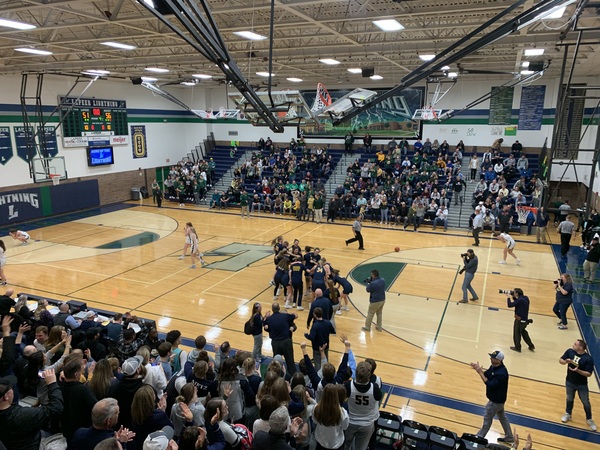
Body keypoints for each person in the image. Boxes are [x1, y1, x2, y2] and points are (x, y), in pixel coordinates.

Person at [0, 369, 64, 450]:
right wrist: (52, 384)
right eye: (11, 388)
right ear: (6, 396)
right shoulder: (23, 415)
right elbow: (55, 408)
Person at [470, 351, 514, 445]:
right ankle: (509, 437)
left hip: (495, 402)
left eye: (493, 358)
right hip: (500, 401)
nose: (491, 359)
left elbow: (490, 384)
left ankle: (478, 439)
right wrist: (479, 370)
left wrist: (479, 372)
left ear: (499, 360)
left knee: (487, 420)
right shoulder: (494, 367)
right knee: (502, 417)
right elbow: (487, 375)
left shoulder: (501, 374)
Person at [343, 361, 382, 450]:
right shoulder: (374, 388)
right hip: (367, 423)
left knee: (346, 445)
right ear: (369, 375)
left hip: (350, 421)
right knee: (361, 448)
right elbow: (378, 398)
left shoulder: (348, 385)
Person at [559, 339, 597, 431]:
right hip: (570, 382)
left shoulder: (588, 359)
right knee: (569, 398)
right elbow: (560, 360)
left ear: (580, 347)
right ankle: (568, 413)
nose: (573, 345)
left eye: (575, 344)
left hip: (582, 385)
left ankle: (589, 419)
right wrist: (566, 362)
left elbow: (589, 374)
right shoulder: (570, 352)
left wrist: (578, 371)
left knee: (586, 402)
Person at [71, 398, 136, 450]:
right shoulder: (110, 444)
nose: (119, 414)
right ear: (108, 421)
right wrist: (122, 443)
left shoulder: (79, 433)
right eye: (117, 413)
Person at [263, 302, 297, 375]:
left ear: (272, 309)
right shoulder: (285, 316)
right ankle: (294, 376)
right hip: (286, 342)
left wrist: (266, 317)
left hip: (275, 343)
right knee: (290, 360)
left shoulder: (269, 319)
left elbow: (265, 326)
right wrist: (293, 314)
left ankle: (275, 375)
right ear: (279, 308)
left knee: (276, 361)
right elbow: (295, 316)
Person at [506, 288, 535, 353]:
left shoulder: (520, 300)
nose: (513, 293)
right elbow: (518, 302)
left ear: (517, 293)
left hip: (519, 320)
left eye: (514, 292)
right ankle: (531, 345)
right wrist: (514, 297)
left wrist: (508, 297)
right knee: (524, 332)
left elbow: (509, 305)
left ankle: (517, 347)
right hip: (525, 320)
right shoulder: (525, 298)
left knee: (517, 334)